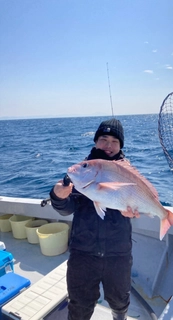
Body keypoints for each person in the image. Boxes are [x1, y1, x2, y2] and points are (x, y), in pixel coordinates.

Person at [50, 118, 140, 320]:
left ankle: (120, 316)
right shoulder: (83, 170)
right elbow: (66, 208)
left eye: (114, 141)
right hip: (83, 251)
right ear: (95, 142)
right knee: (79, 303)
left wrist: (134, 210)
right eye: (103, 139)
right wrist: (58, 196)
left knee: (119, 298)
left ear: (120, 145)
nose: (108, 145)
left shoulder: (128, 172)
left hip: (118, 252)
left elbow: (137, 201)